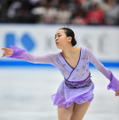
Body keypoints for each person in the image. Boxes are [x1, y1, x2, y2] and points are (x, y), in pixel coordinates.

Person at [1, 27, 119, 120]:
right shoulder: (55, 58)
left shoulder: (85, 52)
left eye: (59, 35)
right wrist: (15, 53)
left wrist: (117, 86)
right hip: (66, 92)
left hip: (85, 92)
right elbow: (33, 58)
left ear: (69, 38)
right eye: (55, 37)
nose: (56, 38)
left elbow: (102, 68)